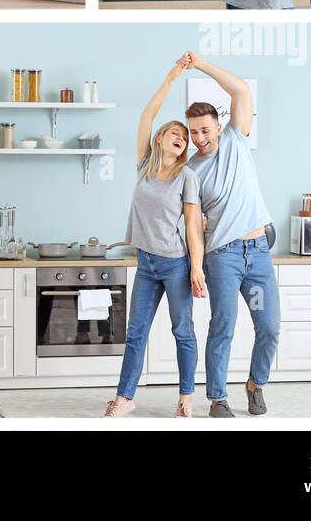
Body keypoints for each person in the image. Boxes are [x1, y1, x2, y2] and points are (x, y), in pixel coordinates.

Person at [105, 56, 204, 419]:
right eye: (174, 133)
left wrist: (196, 269)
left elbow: (193, 226)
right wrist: (171, 77)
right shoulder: (144, 166)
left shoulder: (187, 176)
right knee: (136, 334)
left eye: (185, 137)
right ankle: (125, 397)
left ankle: (186, 398)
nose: (181, 138)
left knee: (183, 332)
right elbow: (146, 115)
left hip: (175, 264)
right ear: (161, 137)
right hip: (146, 262)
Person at [183, 52, 279, 419]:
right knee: (222, 326)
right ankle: (218, 399)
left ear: (218, 126)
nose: (200, 138)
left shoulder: (238, 139)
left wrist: (201, 64)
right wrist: (196, 265)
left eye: (205, 130)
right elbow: (192, 223)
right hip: (222, 256)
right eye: (193, 132)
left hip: (257, 253)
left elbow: (239, 89)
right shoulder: (191, 170)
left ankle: (255, 385)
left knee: (268, 326)